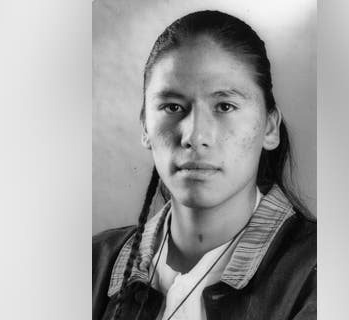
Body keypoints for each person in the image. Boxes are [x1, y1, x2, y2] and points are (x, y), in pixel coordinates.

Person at [93, 10, 316, 320]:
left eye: (224, 106)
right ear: (145, 127)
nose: (195, 135)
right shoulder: (91, 264)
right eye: (172, 106)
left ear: (269, 127)